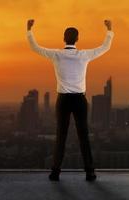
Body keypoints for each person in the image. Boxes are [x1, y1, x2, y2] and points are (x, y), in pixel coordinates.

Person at [26, 19, 114, 181]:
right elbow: (105, 47)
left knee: (61, 136)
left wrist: (29, 30)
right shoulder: (84, 55)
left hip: (64, 100)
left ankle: (55, 172)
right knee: (84, 136)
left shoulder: (57, 55)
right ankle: (90, 172)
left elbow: (35, 48)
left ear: (64, 38)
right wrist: (109, 30)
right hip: (80, 100)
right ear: (77, 39)